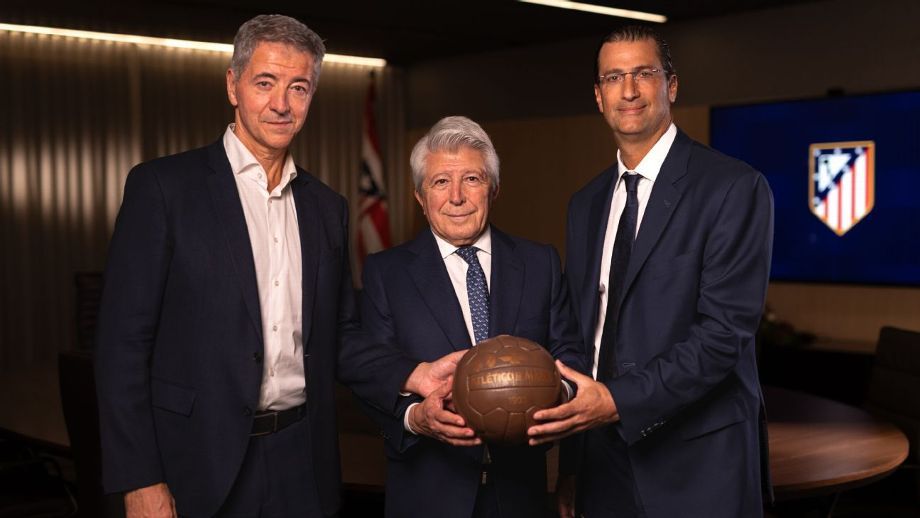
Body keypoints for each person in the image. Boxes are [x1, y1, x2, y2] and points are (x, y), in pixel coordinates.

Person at [95, 14, 460, 518]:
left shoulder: (327, 208)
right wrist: (139, 479)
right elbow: (122, 346)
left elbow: (340, 333)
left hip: (302, 463)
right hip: (197, 464)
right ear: (233, 85)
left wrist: (412, 373)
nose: (282, 104)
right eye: (265, 83)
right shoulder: (163, 189)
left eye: (299, 88)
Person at [527, 26, 774, 518]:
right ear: (598, 96)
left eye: (643, 73)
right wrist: (573, 464)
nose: (629, 90)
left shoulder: (733, 187)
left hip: (697, 463)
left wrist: (616, 400)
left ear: (671, 86)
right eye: (613, 77)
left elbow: (723, 336)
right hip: (601, 458)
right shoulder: (586, 204)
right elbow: (582, 338)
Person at [359, 116, 586, 518]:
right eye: (440, 182)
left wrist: (556, 395)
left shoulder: (541, 264)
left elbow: (571, 354)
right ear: (420, 196)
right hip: (428, 497)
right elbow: (372, 371)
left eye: (472, 179)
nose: (457, 197)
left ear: (493, 189)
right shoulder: (385, 274)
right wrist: (414, 418)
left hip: (521, 498)